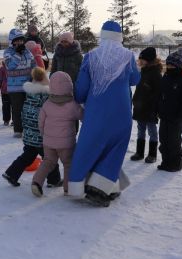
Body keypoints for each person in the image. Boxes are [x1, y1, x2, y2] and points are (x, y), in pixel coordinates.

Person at [69, 21, 140, 207]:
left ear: (102, 35)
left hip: (96, 111)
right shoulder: (128, 56)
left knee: (90, 145)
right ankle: (104, 187)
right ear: (119, 37)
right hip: (122, 111)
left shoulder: (91, 56)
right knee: (114, 149)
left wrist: (78, 97)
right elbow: (135, 79)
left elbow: (82, 88)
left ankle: (82, 185)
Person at [2, 67, 61, 187]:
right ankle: (54, 180)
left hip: (29, 136)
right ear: (44, 79)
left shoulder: (29, 96)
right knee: (50, 158)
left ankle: (11, 174)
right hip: (42, 138)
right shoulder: (46, 97)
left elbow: (23, 116)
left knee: (27, 157)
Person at [32, 71, 83, 196]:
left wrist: (44, 134)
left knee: (48, 161)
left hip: (48, 142)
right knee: (68, 164)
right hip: (66, 144)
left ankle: (36, 182)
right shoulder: (72, 106)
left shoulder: (47, 104)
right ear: (69, 87)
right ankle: (67, 188)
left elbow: (41, 121)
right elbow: (84, 117)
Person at [157, 49, 182, 172]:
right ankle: (165, 162)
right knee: (163, 139)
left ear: (178, 66)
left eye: (171, 65)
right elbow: (160, 95)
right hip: (164, 116)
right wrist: (158, 109)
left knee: (174, 141)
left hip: (177, 118)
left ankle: (175, 164)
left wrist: (181, 118)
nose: (169, 67)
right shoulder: (166, 77)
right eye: (167, 64)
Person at [130, 47, 162, 163]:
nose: (140, 61)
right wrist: (135, 100)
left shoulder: (155, 74)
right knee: (140, 130)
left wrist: (154, 107)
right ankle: (139, 152)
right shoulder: (143, 72)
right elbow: (139, 89)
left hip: (150, 109)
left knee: (152, 131)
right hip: (140, 107)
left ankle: (152, 155)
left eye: (142, 59)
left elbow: (158, 93)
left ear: (148, 60)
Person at [3, 28, 35, 137]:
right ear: (12, 41)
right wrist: (17, 54)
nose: (20, 43)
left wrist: (35, 76)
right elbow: (10, 66)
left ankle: (28, 129)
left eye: (21, 40)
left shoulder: (27, 51)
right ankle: (18, 130)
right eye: (17, 40)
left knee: (28, 109)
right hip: (15, 87)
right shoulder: (8, 52)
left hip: (27, 86)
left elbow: (33, 64)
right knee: (17, 109)